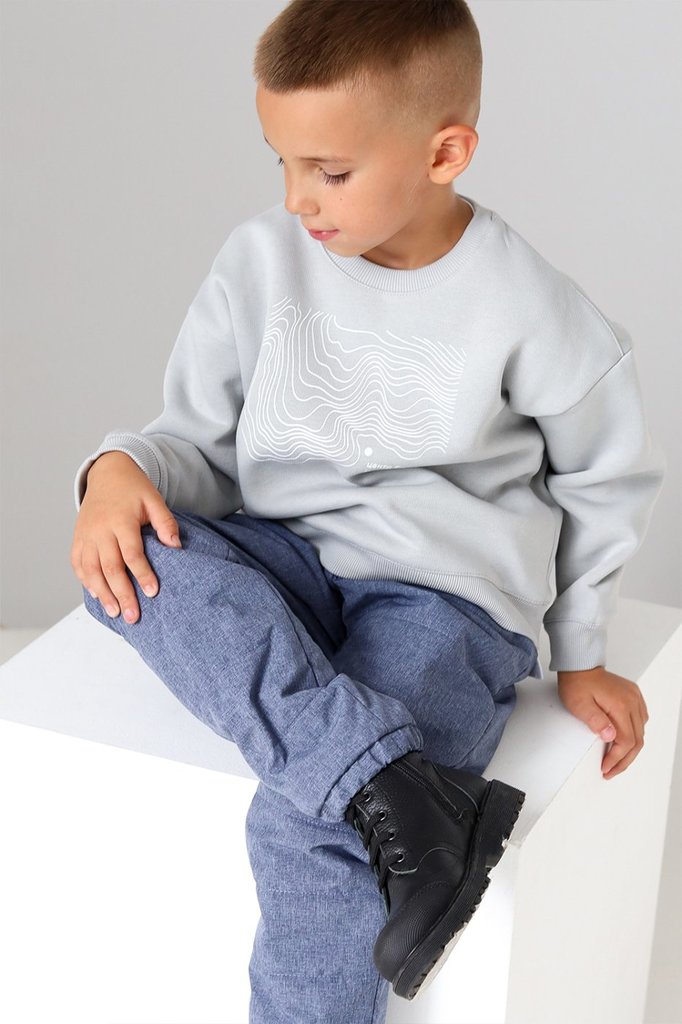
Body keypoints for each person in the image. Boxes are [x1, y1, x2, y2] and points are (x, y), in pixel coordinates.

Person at [69, 1, 666, 1021]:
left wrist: (582, 650)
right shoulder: (260, 262)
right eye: (282, 163)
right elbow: (198, 451)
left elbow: (603, 479)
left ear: (444, 153)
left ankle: (355, 784)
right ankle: (390, 782)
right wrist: (120, 467)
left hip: (443, 599)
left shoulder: (531, 306)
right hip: (288, 559)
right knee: (126, 559)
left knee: (307, 826)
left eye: (330, 171)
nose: (297, 198)